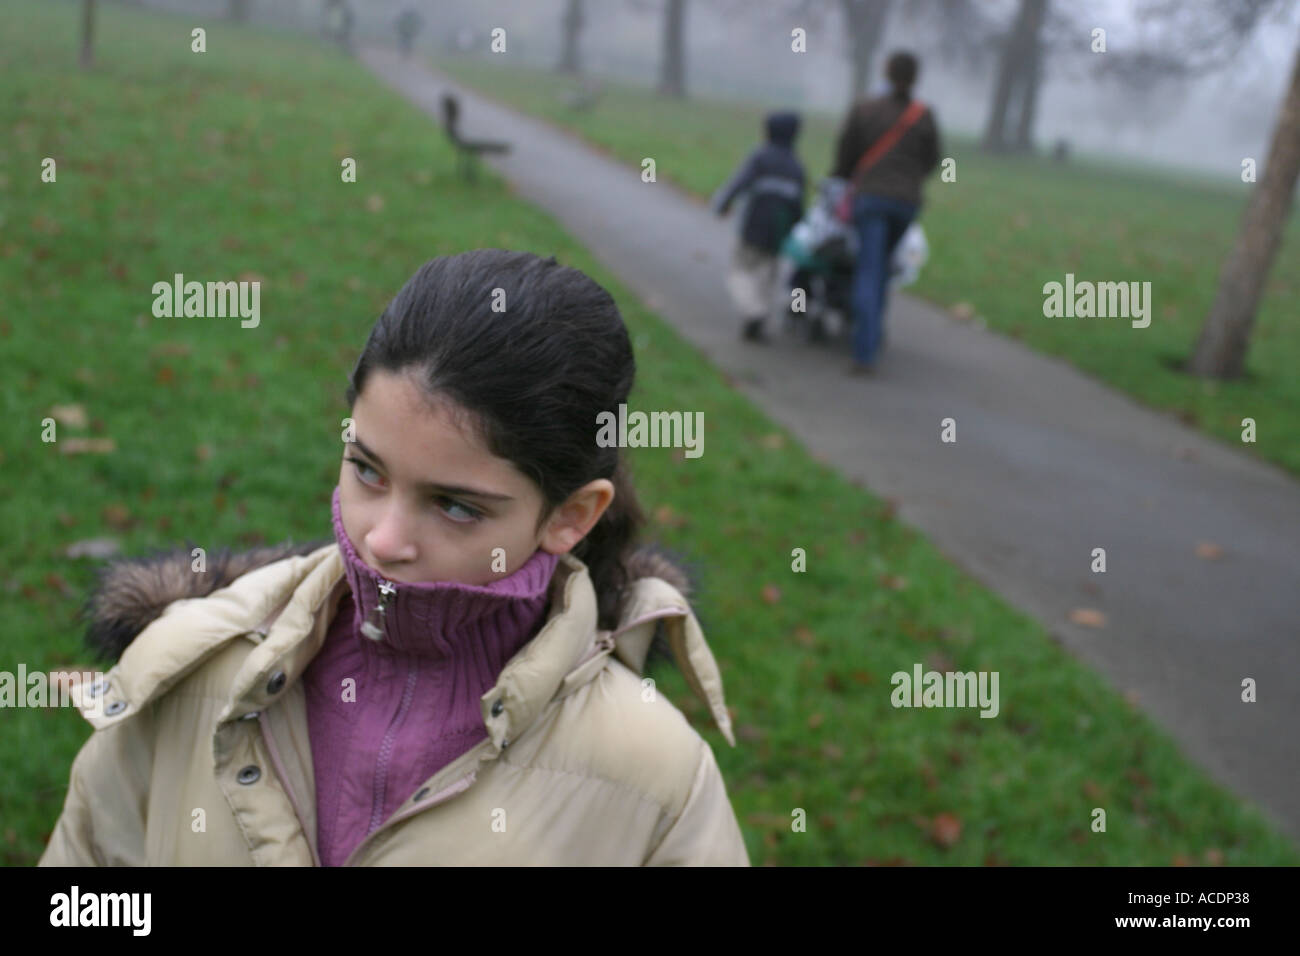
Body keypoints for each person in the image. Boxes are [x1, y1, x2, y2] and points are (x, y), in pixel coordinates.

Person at [38, 250, 749, 867]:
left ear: (570, 517)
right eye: (366, 469)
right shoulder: (186, 670)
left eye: (456, 506)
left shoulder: (657, 779)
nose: (381, 539)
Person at [832, 51, 941, 375]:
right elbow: (932, 159)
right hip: (906, 202)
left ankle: (864, 351)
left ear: (887, 72)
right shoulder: (924, 116)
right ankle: (873, 334)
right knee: (881, 269)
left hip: (871, 198)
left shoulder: (865, 108)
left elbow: (845, 155)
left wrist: (845, 178)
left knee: (869, 268)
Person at [711, 111, 806, 344]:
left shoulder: (760, 157)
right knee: (767, 275)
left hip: (753, 227)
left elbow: (739, 182)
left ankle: (754, 312)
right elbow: (798, 206)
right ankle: (758, 316)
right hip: (779, 233)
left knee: (741, 272)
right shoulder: (797, 166)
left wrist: (722, 204)